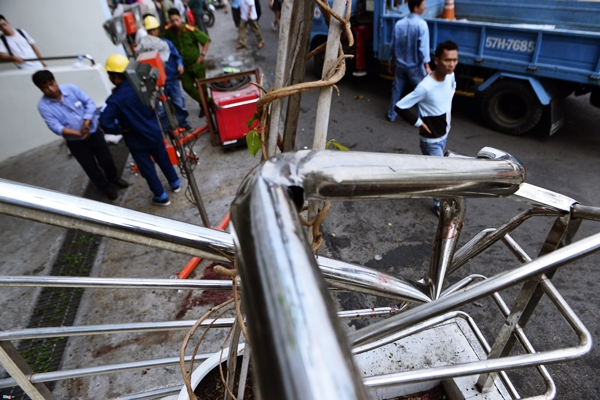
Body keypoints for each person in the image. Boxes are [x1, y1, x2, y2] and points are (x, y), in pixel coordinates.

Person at [99, 54, 181, 206]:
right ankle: (175, 183)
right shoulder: (142, 87)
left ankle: (161, 196)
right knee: (163, 158)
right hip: (154, 131)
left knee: (147, 168)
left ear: (115, 76)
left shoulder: (114, 99)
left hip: (136, 139)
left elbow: (104, 122)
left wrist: (120, 130)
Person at [32, 70, 128, 200]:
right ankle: (105, 188)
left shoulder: (71, 89)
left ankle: (114, 178)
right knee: (90, 167)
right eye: (45, 87)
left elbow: (89, 103)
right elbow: (55, 126)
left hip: (94, 133)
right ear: (40, 89)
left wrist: (86, 122)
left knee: (107, 160)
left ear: (55, 81)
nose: (51, 89)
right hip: (76, 142)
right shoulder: (43, 106)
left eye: (51, 84)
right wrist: (79, 134)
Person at [394, 40, 458, 216]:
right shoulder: (425, 87)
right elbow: (400, 106)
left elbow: (451, 91)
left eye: (454, 60)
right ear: (437, 61)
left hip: (444, 134)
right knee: (441, 175)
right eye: (447, 60)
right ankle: (438, 205)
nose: (451, 64)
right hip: (431, 141)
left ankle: (426, 179)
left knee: (436, 170)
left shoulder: (451, 76)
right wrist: (418, 123)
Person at [139, 15, 192, 130]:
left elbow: (177, 56)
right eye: (150, 31)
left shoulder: (166, 44)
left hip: (171, 80)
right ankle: (167, 129)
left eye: (154, 30)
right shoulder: (144, 49)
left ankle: (183, 123)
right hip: (156, 84)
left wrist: (180, 64)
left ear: (158, 30)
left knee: (179, 103)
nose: (152, 32)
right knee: (161, 110)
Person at [386, 0, 431, 122]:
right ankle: (420, 119)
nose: (425, 7)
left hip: (400, 66)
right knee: (422, 93)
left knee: (396, 91)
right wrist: (427, 66)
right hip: (415, 67)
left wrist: (391, 62)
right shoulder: (422, 25)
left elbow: (393, 45)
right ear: (416, 7)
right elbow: (423, 49)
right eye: (423, 5)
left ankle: (391, 115)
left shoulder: (399, 23)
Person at [162, 8, 210, 117]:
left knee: (202, 87)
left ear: (180, 18)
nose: (175, 23)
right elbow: (160, 42)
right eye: (172, 21)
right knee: (187, 87)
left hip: (196, 64)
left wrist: (202, 55)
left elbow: (206, 40)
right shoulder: (169, 32)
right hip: (183, 67)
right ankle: (208, 103)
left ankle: (204, 107)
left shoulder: (189, 29)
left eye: (177, 20)